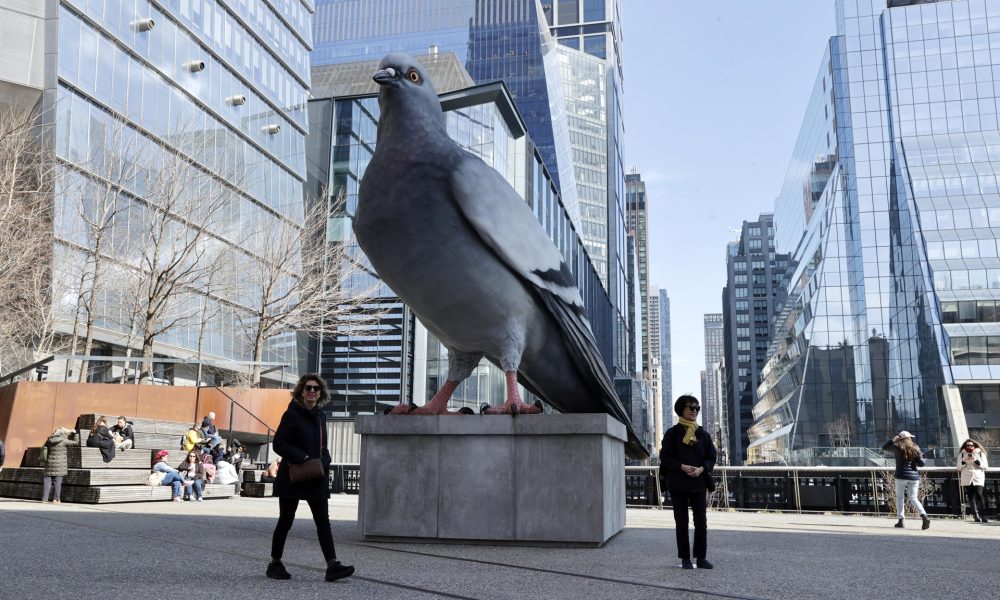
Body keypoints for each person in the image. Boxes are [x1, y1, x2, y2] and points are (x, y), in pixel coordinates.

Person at [267, 374, 354, 582]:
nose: (312, 391)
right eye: (308, 388)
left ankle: (332, 565)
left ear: (321, 393)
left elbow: (322, 446)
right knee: (286, 520)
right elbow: (278, 443)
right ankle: (274, 563)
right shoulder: (292, 415)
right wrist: (303, 456)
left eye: (316, 388)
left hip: (315, 475)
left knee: (323, 522)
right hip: (293, 476)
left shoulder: (320, 415)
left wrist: (325, 460)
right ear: (301, 391)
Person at [659, 395, 717, 570]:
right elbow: (665, 457)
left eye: (697, 408)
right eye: (690, 407)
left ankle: (700, 558)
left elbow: (711, 456)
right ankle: (685, 558)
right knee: (681, 521)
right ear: (680, 410)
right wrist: (682, 467)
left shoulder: (703, 434)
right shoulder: (672, 433)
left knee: (701, 521)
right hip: (678, 483)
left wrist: (701, 469)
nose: (694, 410)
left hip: (698, 483)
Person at [882, 431, 931, 529]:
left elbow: (884, 447)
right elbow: (921, 464)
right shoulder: (915, 448)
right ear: (909, 439)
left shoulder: (896, 448)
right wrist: (918, 455)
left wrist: (893, 440)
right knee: (913, 498)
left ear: (900, 439)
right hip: (914, 477)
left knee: (900, 498)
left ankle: (901, 521)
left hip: (900, 476)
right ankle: (924, 516)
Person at [957, 438, 989, 523]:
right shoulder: (962, 454)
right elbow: (958, 467)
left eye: (971, 445)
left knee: (979, 494)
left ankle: (984, 515)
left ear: (974, 446)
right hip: (967, 477)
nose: (969, 447)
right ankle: (976, 516)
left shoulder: (980, 453)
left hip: (978, 476)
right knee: (970, 496)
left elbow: (985, 466)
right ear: (965, 446)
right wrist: (964, 461)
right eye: (967, 445)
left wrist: (976, 461)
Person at [42, 427, 76, 503]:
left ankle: (44, 499)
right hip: (60, 465)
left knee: (47, 481)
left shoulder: (49, 440)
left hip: (49, 464)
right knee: (57, 482)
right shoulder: (64, 441)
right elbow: (76, 442)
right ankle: (56, 499)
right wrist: (75, 434)